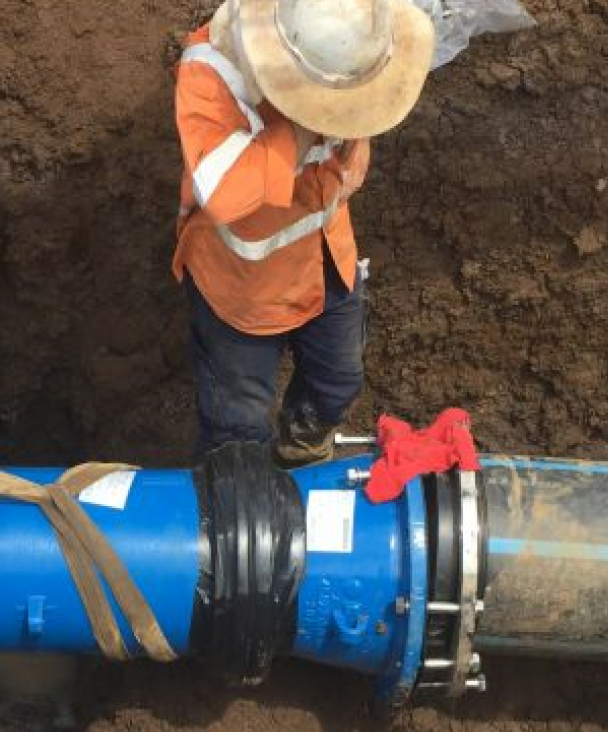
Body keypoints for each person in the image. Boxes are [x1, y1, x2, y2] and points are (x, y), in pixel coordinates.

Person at [174, 0, 435, 464]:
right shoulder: (213, 66)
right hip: (243, 290)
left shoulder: (350, 37)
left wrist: (348, 109)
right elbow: (226, 193)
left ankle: (301, 450)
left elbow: (356, 141)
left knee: (336, 383)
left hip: (326, 260)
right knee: (237, 424)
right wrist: (306, 124)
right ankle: (241, 490)